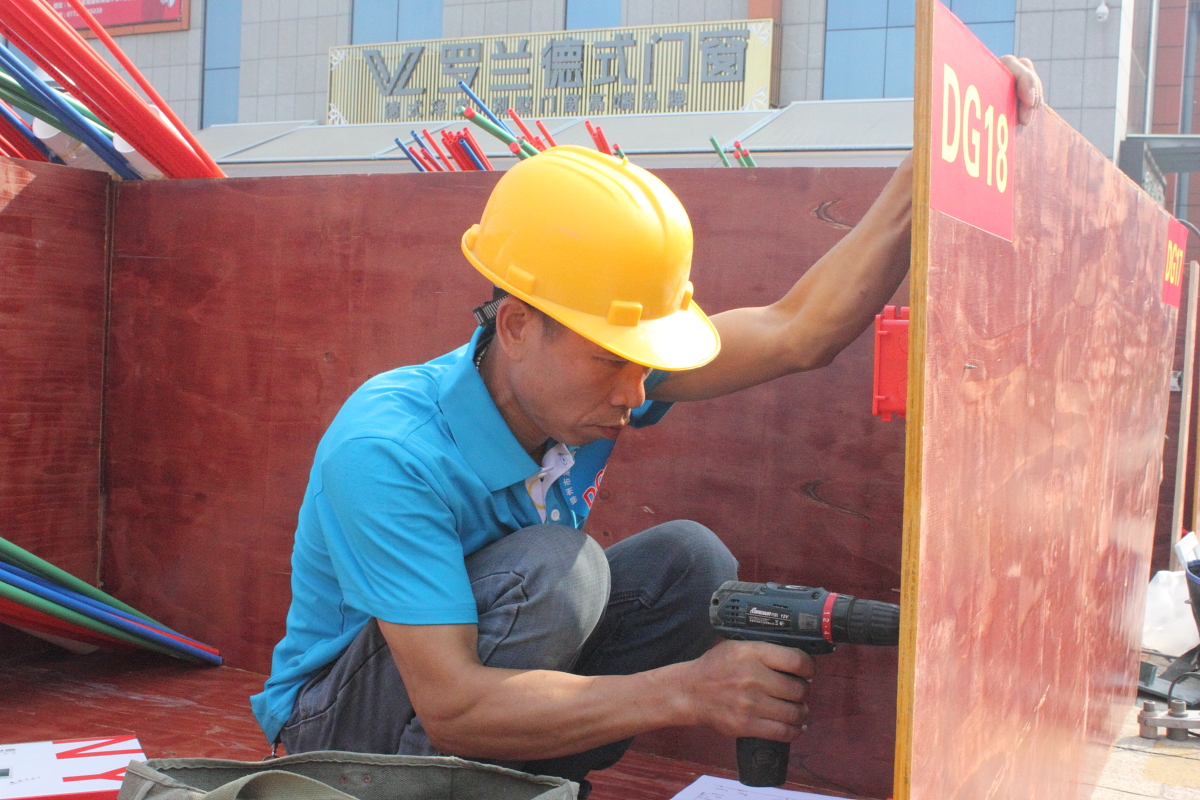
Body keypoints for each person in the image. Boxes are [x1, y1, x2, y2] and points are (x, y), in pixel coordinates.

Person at [251, 56, 1042, 791]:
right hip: (338, 738)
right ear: (519, 325)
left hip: (466, 689)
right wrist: (690, 691)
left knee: (688, 564)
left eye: (644, 363)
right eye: (612, 363)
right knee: (557, 572)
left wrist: (923, 171)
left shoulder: (586, 370)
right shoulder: (389, 450)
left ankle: (537, 784)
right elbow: (452, 705)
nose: (636, 395)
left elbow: (799, 331)